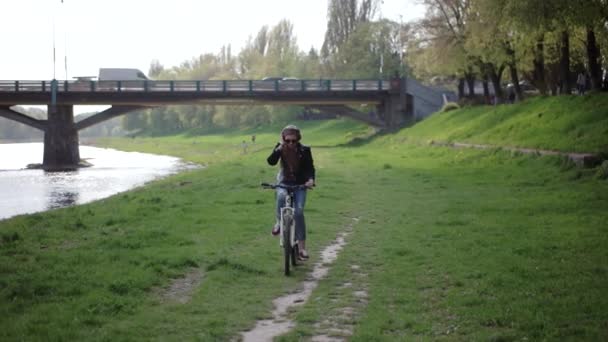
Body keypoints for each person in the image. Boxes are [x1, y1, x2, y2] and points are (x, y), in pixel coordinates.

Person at [266, 125, 315, 260]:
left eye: (294, 141)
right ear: (283, 139)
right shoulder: (280, 148)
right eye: (288, 141)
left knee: (298, 212)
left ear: (298, 139)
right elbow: (271, 162)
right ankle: (278, 222)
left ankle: (302, 248)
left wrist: (310, 180)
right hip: (284, 182)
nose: (291, 143)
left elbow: (310, 168)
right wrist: (278, 150)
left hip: (300, 184)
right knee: (281, 196)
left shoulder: (305, 150)